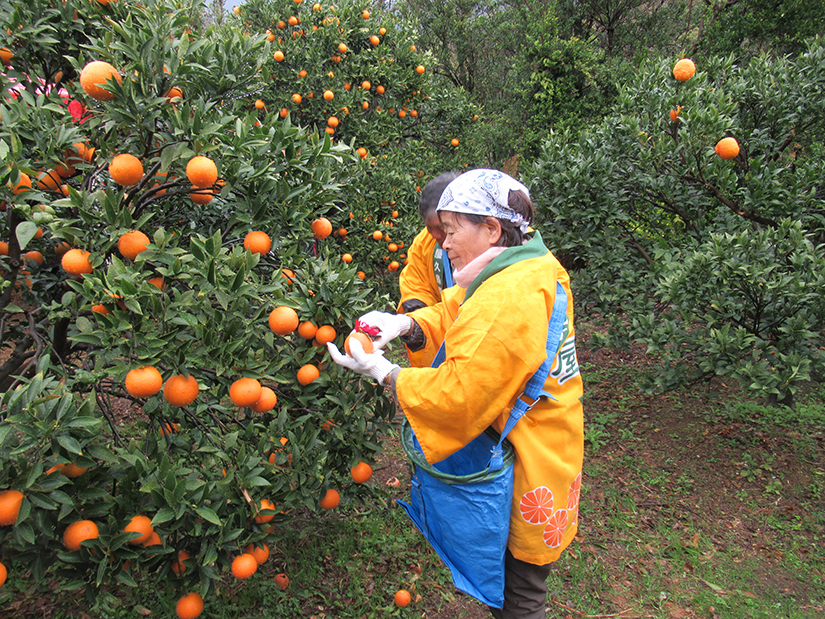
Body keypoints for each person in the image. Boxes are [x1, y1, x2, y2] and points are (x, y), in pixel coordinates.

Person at [328, 169, 584, 619]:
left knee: (519, 597)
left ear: (490, 227)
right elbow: (460, 310)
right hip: (546, 444)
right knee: (513, 587)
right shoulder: (527, 267)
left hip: (528, 459)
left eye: (450, 231)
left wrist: (386, 373)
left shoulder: (511, 292)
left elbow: (461, 394)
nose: (443, 245)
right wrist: (407, 324)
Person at [396, 172, 460, 364]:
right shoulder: (425, 242)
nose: (436, 236)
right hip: (443, 336)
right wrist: (415, 321)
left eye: (441, 227)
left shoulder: (496, 242)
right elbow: (416, 283)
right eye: (428, 227)